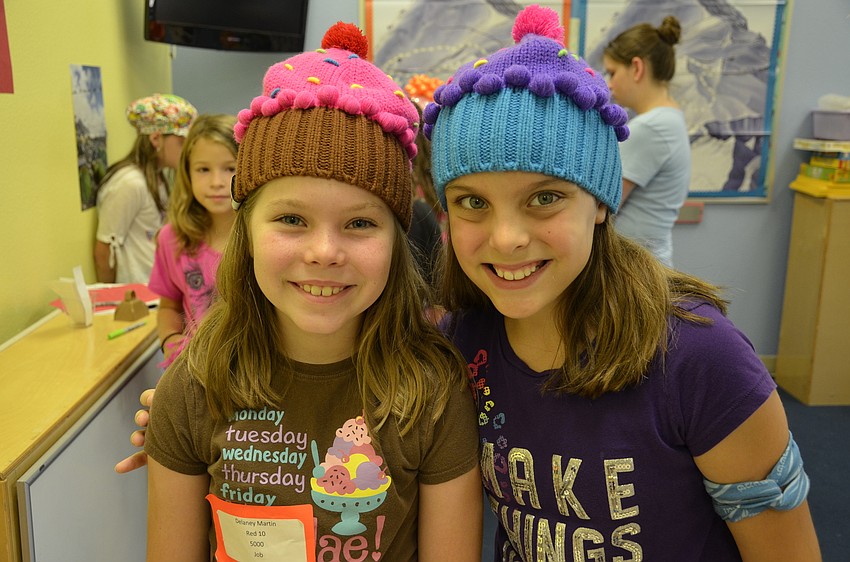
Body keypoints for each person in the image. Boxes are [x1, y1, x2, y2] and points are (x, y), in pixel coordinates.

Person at [422, 5, 820, 560]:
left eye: (545, 198)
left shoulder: (699, 357)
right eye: (472, 202)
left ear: (601, 204)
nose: (507, 237)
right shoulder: (463, 344)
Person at [143, 22, 481, 561]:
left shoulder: (434, 391)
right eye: (292, 218)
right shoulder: (196, 385)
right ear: (245, 233)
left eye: (360, 224)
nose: (324, 252)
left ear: (397, 239)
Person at [148, 114, 237, 366]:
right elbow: (168, 305)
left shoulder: (262, 237)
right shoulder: (172, 238)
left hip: (255, 375)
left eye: (230, 168)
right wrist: (170, 342)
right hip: (193, 372)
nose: (217, 182)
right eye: (203, 169)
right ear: (187, 173)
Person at [601, 16, 690, 267]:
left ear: (637, 68)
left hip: (636, 270)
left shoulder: (651, 127)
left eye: (613, 72)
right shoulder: (670, 119)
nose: (610, 83)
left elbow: (605, 203)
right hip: (645, 264)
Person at [94, 93, 197, 283]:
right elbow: (104, 249)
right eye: (181, 143)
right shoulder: (130, 183)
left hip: (155, 291)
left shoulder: (157, 178)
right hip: (137, 295)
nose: (187, 151)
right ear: (156, 138)